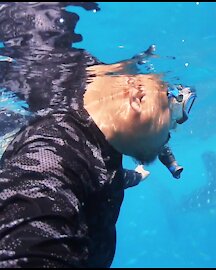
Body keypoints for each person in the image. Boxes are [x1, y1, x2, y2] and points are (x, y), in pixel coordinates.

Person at [0, 2, 196, 267]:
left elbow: (96, 177)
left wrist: (133, 177)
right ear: (137, 98)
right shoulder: (54, 152)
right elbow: (34, 219)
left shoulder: (99, 139)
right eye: (173, 111)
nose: (174, 127)